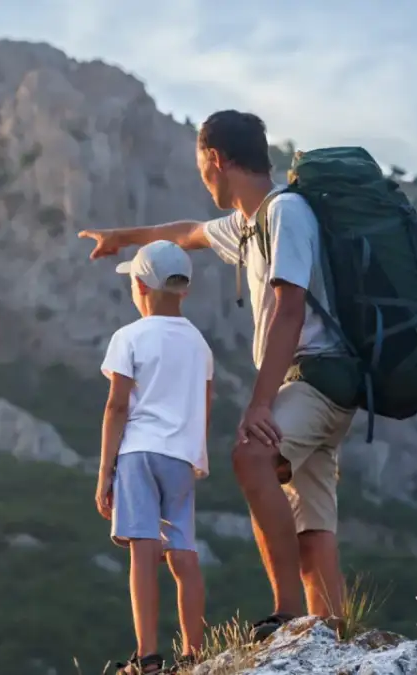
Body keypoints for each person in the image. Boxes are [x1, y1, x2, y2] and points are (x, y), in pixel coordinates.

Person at [79, 110, 356, 643]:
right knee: (311, 520)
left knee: (251, 453)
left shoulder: (286, 213)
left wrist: (259, 405)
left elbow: (290, 309)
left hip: (318, 377)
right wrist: (123, 237)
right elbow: (186, 233)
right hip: (313, 382)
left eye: (201, 166)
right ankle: (333, 638)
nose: (202, 178)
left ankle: (287, 616)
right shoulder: (249, 225)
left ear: (216, 159)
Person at [95, 240, 214, 674]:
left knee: (143, 551)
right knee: (183, 552)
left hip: (137, 453)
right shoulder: (200, 344)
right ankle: (194, 654)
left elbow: (116, 406)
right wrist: (196, 456)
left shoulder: (129, 336)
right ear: (183, 290)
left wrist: (106, 470)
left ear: (140, 286)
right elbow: (205, 402)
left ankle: (147, 657)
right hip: (180, 458)